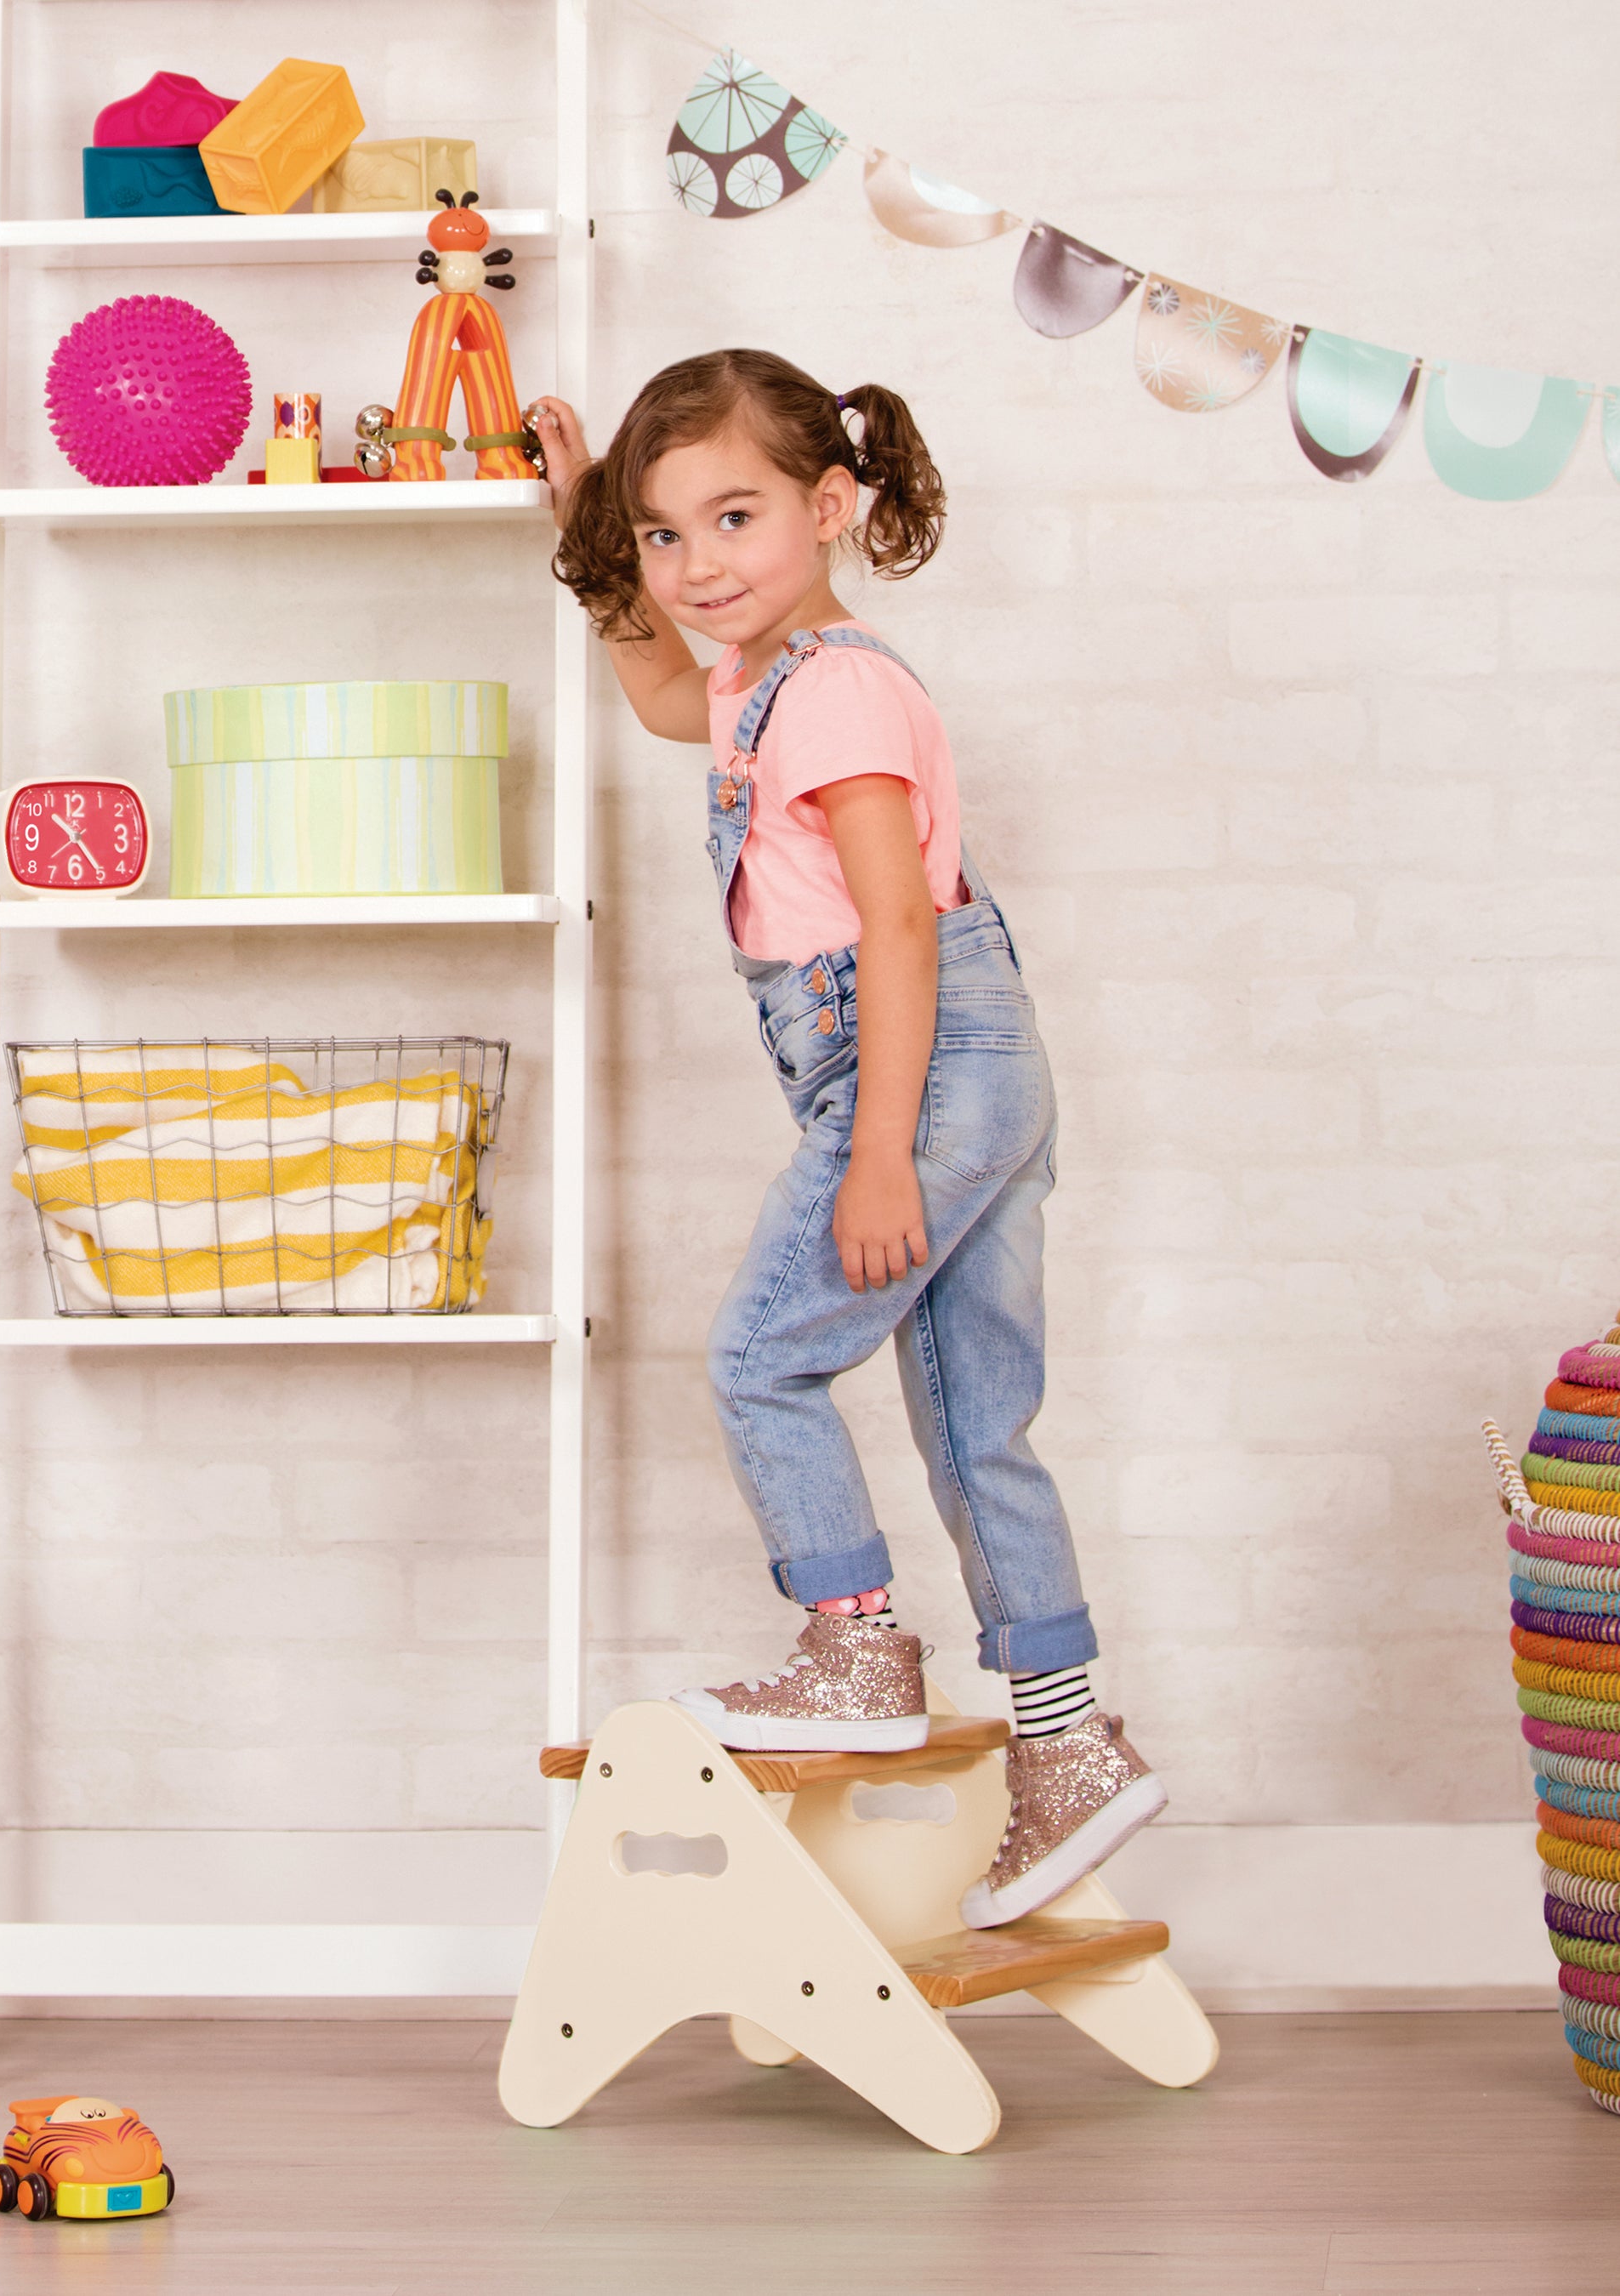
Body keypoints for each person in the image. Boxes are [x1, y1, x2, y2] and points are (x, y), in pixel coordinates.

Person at [530, 350, 1164, 1924]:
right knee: (971, 1422)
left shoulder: (847, 691)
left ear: (829, 506)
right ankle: (1068, 1743)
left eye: (732, 518)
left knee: (761, 1354)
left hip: (919, 1065)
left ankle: (857, 1646)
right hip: (963, 1073)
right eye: (667, 534)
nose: (700, 567)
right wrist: (587, 535)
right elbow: (665, 689)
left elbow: (898, 922)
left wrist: (883, 1149)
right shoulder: (758, 677)